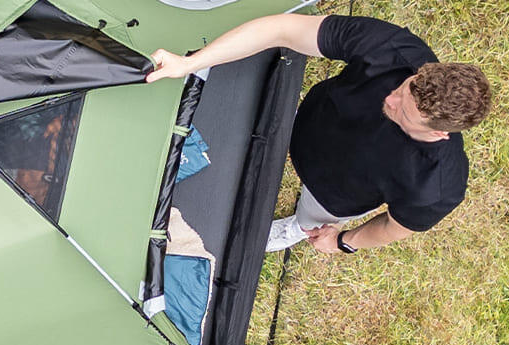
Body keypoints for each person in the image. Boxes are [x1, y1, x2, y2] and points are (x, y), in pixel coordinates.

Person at [146, 13, 491, 254]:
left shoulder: (438, 186)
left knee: (308, 219)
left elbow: (393, 228)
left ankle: (296, 227)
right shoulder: (392, 48)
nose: (390, 99)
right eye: (404, 87)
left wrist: (343, 241)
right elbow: (282, 30)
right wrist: (191, 63)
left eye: (404, 111)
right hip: (310, 121)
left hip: (331, 196)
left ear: (439, 133)